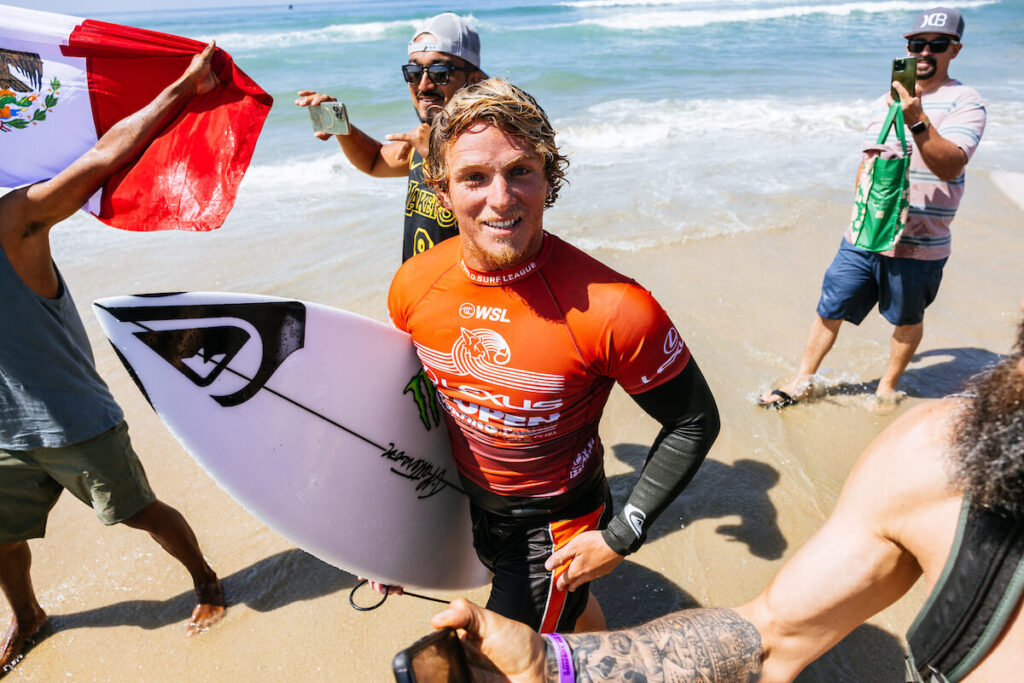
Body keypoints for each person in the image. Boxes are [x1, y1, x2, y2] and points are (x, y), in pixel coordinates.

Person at [431, 303, 1024, 681]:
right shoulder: (940, 460)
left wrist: (620, 533)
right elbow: (767, 637)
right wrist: (555, 665)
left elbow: (693, 421)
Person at [386, 78, 720, 634]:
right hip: (468, 497)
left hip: (557, 523)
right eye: (474, 177)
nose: (500, 197)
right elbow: (409, 406)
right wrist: (390, 537)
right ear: (441, 191)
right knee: (573, 616)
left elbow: (693, 421)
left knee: (497, 658)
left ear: (549, 178)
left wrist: (622, 536)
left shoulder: (614, 307)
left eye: (520, 170)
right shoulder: (414, 283)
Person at [0, 44, 226, 672]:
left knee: (139, 512)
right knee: (1, 537)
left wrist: (182, 88)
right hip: (2, 431)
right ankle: (29, 616)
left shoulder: (16, 221)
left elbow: (102, 157)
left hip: (72, 418)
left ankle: (206, 581)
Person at [760, 7, 986, 408]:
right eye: (917, 44)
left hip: (920, 241)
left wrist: (917, 120)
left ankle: (887, 386)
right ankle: (802, 380)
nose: (924, 53)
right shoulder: (884, 102)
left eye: (937, 46)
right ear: (907, 47)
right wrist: (858, 214)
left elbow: (951, 164)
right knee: (830, 306)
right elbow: (869, 163)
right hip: (865, 233)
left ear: (955, 50)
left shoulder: (965, 101)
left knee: (906, 318)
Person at [295, 12, 486, 262]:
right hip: (418, 291)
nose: (423, 85)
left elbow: (496, 210)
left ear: (473, 80)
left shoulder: (486, 139)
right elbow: (374, 161)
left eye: (440, 72)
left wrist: (435, 156)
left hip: (462, 297)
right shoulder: (426, 138)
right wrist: (340, 124)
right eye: (414, 72)